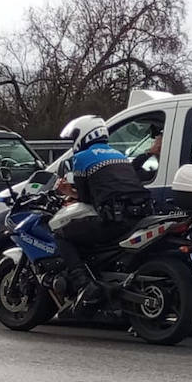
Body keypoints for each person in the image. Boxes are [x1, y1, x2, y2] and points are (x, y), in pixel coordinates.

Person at [52, 114, 153, 306]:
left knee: (62, 235)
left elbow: (86, 198)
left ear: (84, 135)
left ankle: (83, 284)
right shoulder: (119, 155)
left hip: (114, 220)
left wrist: (66, 191)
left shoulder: (81, 158)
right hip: (139, 215)